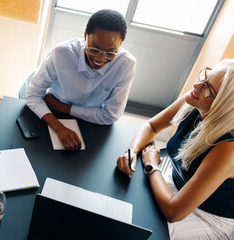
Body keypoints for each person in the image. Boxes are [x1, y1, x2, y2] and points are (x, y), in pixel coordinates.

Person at [117, 59, 234, 239]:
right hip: (176, 186)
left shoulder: (228, 149)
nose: (197, 84)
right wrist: (132, 151)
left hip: (208, 216)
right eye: (205, 75)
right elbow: (152, 126)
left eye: (207, 88)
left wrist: (151, 167)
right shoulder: (195, 99)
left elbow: (173, 212)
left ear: (222, 107)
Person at [26, 9, 136, 151]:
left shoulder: (126, 64)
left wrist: (63, 107)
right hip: (51, 114)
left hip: (88, 123)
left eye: (110, 53)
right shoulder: (62, 53)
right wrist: (59, 127)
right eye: (94, 49)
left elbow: (110, 116)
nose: (100, 59)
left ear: (120, 45)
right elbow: (33, 95)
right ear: (85, 35)